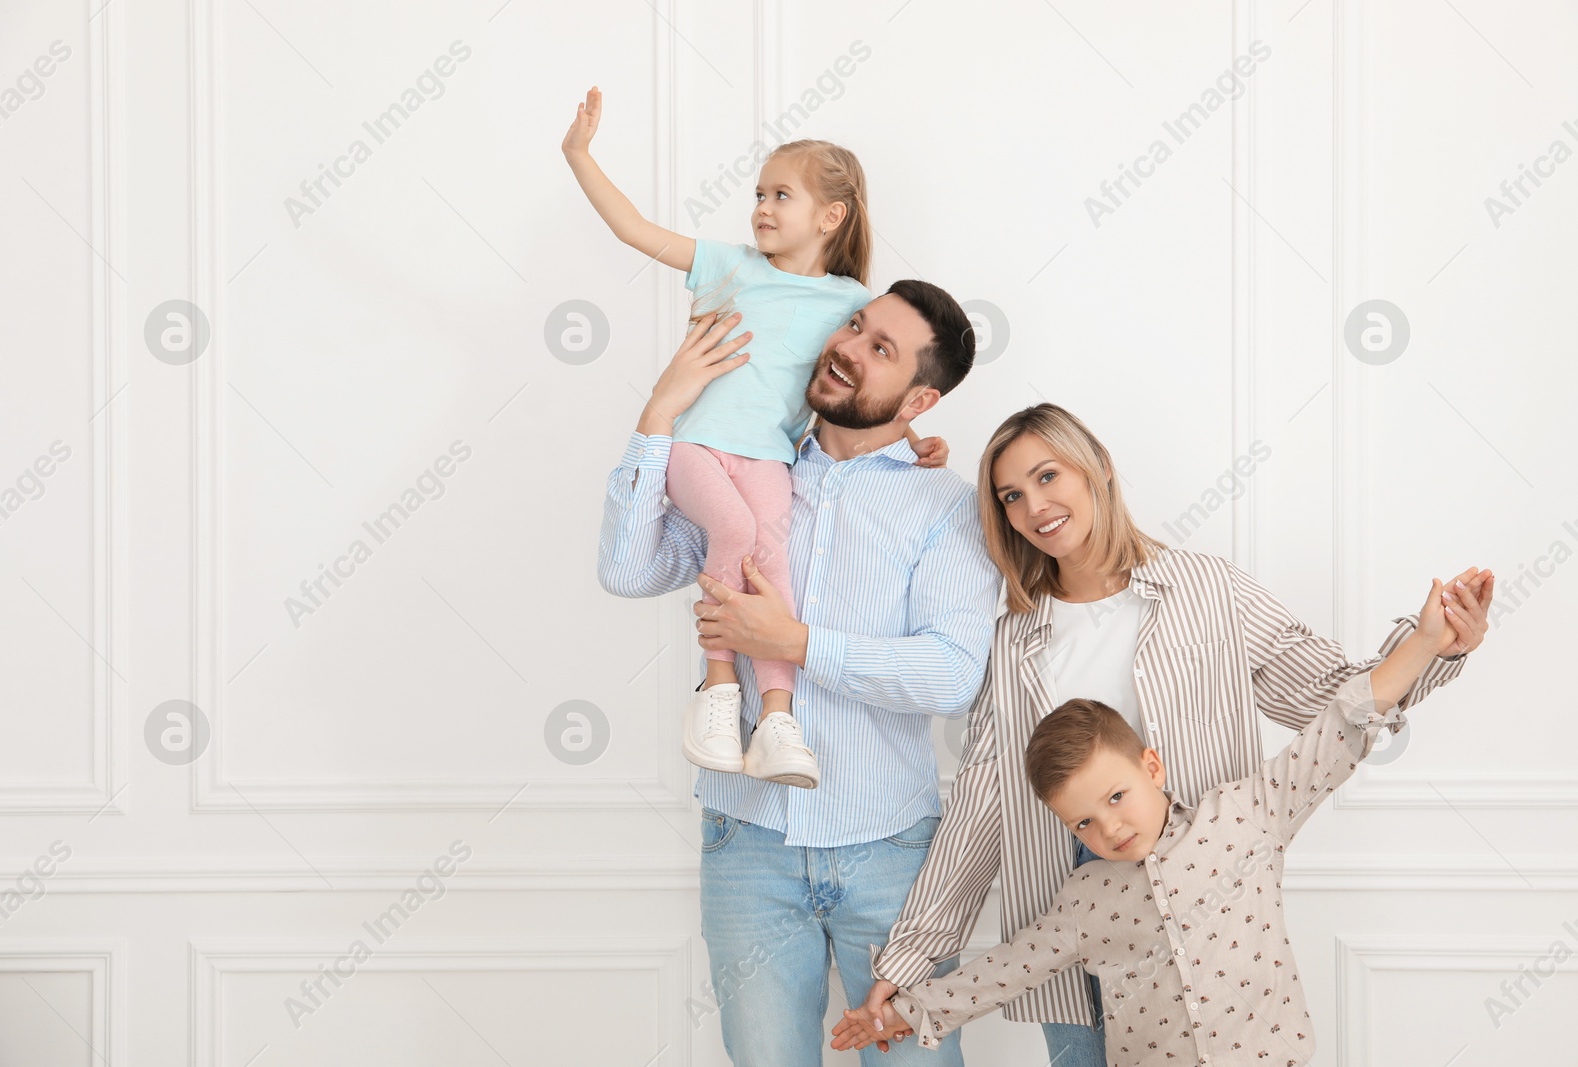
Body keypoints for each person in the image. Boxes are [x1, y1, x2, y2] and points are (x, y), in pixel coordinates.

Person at [858, 403, 1493, 1064]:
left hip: (1209, 917)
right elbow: (982, 808)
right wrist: (912, 955)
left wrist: (1435, 646)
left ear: (1098, 467)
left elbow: (1336, 700)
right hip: (1071, 914)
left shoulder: (1207, 589)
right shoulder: (1013, 639)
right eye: (1011, 495)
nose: (1033, 507)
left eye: (1048, 476)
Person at [596, 285, 1002, 1065]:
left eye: (881, 348)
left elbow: (952, 674)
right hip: (747, 843)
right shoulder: (742, 469)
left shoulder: (944, 506)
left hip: (890, 851)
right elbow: (624, 567)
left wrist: (797, 641)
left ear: (919, 399)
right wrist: (659, 413)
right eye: (855, 324)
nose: (849, 346)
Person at [567, 85, 936, 788]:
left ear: (831, 215)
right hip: (697, 448)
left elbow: (872, 379)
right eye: (759, 194)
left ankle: (775, 716)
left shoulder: (852, 303)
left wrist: (914, 440)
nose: (761, 208)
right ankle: (716, 689)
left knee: (775, 565)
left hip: (769, 458)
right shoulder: (731, 266)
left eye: (780, 196)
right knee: (732, 529)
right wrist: (580, 155)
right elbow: (635, 230)